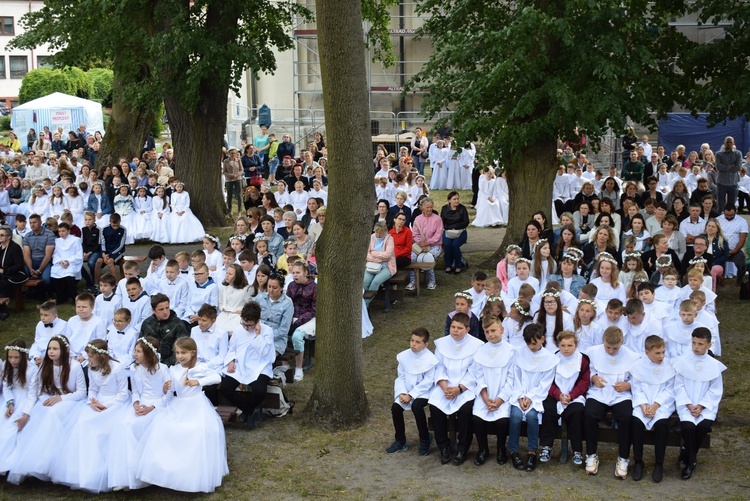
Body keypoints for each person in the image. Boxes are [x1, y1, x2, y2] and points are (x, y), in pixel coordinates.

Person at [135, 337, 227, 492]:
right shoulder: (173, 369)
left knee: (196, 431)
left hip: (196, 404)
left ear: (193, 353)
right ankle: (169, 471)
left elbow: (217, 377)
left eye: (183, 353)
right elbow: (170, 392)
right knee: (165, 428)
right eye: (177, 353)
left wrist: (198, 382)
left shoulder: (200, 367)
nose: (180, 356)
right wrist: (167, 388)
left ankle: (193, 474)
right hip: (179, 404)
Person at [7, 335, 87, 485]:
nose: (51, 352)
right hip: (47, 399)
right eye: (49, 348)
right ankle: (33, 463)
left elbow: (81, 392)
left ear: (64, 350)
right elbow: (37, 391)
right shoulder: (45, 365)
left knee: (52, 414)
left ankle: (49, 464)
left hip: (69, 401)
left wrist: (60, 399)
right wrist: (35, 406)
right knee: (39, 415)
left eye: (55, 348)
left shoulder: (75, 366)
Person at [52, 339, 129, 493]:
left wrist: (106, 406)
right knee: (83, 423)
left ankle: (106, 472)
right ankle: (83, 472)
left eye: (90, 356)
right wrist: (92, 402)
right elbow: (92, 389)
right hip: (97, 401)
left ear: (100, 356)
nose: (88, 359)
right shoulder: (91, 368)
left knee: (105, 427)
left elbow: (123, 393)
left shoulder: (117, 367)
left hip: (115, 404)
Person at [583, 326, 640, 478]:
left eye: (615, 348)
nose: (611, 351)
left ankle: (623, 457)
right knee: (589, 414)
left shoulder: (632, 356)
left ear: (622, 343)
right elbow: (588, 372)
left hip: (620, 395)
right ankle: (591, 454)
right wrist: (594, 378)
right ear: (603, 342)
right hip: (599, 393)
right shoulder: (593, 352)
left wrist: (628, 385)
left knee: (627, 417)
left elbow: (637, 378)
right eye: (608, 347)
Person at [429, 312, 483, 465]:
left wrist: (459, 388)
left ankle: (462, 448)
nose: (455, 330)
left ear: (467, 329)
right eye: (453, 327)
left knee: (466, 411)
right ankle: (444, 447)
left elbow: (475, 371)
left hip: (465, 387)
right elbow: (438, 367)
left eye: (459, 328)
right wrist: (445, 386)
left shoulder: (477, 345)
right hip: (445, 386)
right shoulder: (441, 344)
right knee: (435, 408)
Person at [672, 327, 725, 480]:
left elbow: (715, 390)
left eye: (700, 344)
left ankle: (687, 451)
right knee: (688, 427)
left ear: (708, 345)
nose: (696, 347)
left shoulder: (714, 365)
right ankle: (691, 462)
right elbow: (679, 386)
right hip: (686, 404)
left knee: (703, 427)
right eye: (694, 343)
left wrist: (701, 406)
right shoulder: (683, 361)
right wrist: (688, 405)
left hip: (705, 406)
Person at [507, 324, 558, 472]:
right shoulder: (519, 353)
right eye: (528, 343)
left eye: (534, 343)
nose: (530, 346)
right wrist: (521, 396)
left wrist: (530, 397)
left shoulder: (549, 358)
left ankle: (531, 452)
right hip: (518, 395)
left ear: (542, 339)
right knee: (515, 416)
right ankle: (514, 451)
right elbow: (515, 376)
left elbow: (545, 383)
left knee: (532, 417)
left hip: (536, 397)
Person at [220, 301, 275, 428]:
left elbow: (265, 353)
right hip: (241, 364)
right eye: (243, 324)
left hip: (260, 366)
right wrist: (231, 361)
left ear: (257, 322)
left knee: (260, 391)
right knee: (225, 388)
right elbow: (232, 348)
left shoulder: (267, 331)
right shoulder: (239, 329)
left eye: (249, 325)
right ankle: (249, 410)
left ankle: (247, 411)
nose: (245, 327)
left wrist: (257, 335)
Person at [629, 335, 675, 483]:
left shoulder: (669, 366)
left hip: (661, 406)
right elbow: (636, 389)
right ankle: (638, 462)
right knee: (636, 424)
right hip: (643, 406)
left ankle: (659, 464)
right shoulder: (638, 366)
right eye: (657, 353)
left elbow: (670, 390)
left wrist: (655, 405)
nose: (661, 356)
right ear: (647, 352)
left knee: (661, 425)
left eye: (663, 352)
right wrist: (643, 405)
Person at [539, 330, 589, 466]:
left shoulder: (582, 360)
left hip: (575, 396)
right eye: (563, 345)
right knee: (548, 409)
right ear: (558, 345)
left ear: (576, 345)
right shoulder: (553, 359)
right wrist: (558, 395)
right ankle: (547, 446)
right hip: (557, 395)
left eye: (570, 345)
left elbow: (584, 381)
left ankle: (577, 449)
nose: (566, 349)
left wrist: (572, 396)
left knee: (577, 413)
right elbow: (548, 381)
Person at [470, 315, 515, 466]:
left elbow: (512, 378)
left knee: (502, 421)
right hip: (485, 395)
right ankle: (483, 449)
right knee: (477, 418)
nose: (491, 334)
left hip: (503, 396)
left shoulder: (511, 351)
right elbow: (478, 375)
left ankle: (501, 449)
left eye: (494, 330)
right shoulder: (481, 350)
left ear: (502, 330)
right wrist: (484, 396)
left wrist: (500, 399)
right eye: (487, 331)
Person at [386, 327, 438, 455]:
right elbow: (401, 377)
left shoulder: (430, 359)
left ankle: (425, 438)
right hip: (406, 390)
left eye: (418, 342)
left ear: (426, 344)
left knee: (417, 406)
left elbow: (428, 382)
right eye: (412, 340)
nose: (413, 344)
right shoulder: (404, 356)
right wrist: (402, 393)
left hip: (424, 392)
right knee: (396, 408)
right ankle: (400, 441)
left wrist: (412, 395)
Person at [139, 293, 189, 365]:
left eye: (167, 308)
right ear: (153, 310)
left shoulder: (178, 324)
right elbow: (141, 346)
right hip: (149, 363)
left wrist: (165, 365)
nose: (165, 312)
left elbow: (182, 349)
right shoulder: (147, 323)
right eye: (161, 309)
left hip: (172, 365)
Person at [411, 197, 443, 290]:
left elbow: (438, 235)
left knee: (428, 258)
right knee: (412, 257)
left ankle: (432, 281)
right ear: (422, 208)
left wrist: (427, 243)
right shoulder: (417, 219)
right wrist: (421, 243)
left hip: (434, 245)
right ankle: (413, 281)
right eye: (427, 207)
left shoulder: (437, 219)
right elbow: (415, 234)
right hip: (420, 244)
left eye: (431, 207)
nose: (429, 209)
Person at [23, 213, 56, 295]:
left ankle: (43, 292)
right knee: (23, 274)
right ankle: (32, 292)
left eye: (34, 222)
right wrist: (31, 269)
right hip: (32, 260)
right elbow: (26, 254)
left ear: (40, 222)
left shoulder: (49, 234)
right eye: (30, 223)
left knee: (46, 280)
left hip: (45, 260)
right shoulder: (27, 236)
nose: (32, 225)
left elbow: (48, 255)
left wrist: (39, 270)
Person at [364, 222, 396, 305]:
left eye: (381, 232)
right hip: (372, 265)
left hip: (386, 266)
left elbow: (387, 255)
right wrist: (378, 258)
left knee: (375, 282)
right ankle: (362, 301)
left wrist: (374, 253)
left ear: (385, 231)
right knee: (365, 281)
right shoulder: (371, 237)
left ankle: (365, 304)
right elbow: (366, 254)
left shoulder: (390, 239)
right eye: (377, 232)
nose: (378, 234)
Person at [0, 224, 26, 320]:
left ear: (9, 236)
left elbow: (19, 265)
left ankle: (3, 311)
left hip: (15, 275)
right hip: (2, 275)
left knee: (1, 284)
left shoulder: (15, 248)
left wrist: (4, 271)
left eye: (2, 235)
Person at [717, 205, 747, 283]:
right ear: (724, 212)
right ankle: (719, 280)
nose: (729, 217)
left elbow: (743, 238)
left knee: (742, 264)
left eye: (731, 215)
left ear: (735, 212)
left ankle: (740, 280)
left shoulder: (742, 221)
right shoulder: (718, 220)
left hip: (736, 249)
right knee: (716, 262)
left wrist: (735, 250)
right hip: (721, 249)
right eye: (727, 215)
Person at [715, 136, 743, 212]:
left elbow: (738, 167)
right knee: (720, 206)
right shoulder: (719, 154)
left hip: (733, 182)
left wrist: (725, 167)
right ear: (724, 143)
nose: (729, 144)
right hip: (722, 182)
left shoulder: (738, 153)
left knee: (732, 206)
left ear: (733, 143)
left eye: (731, 142)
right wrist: (731, 165)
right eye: (727, 142)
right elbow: (719, 167)